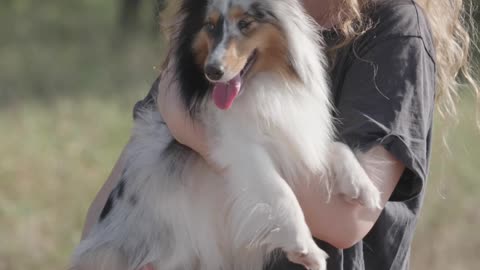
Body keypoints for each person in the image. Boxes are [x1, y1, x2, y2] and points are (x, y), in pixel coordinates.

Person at [81, 0, 478, 269]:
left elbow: (346, 219)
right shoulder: (222, 13)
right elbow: (114, 201)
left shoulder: (394, 29)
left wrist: (195, 130)